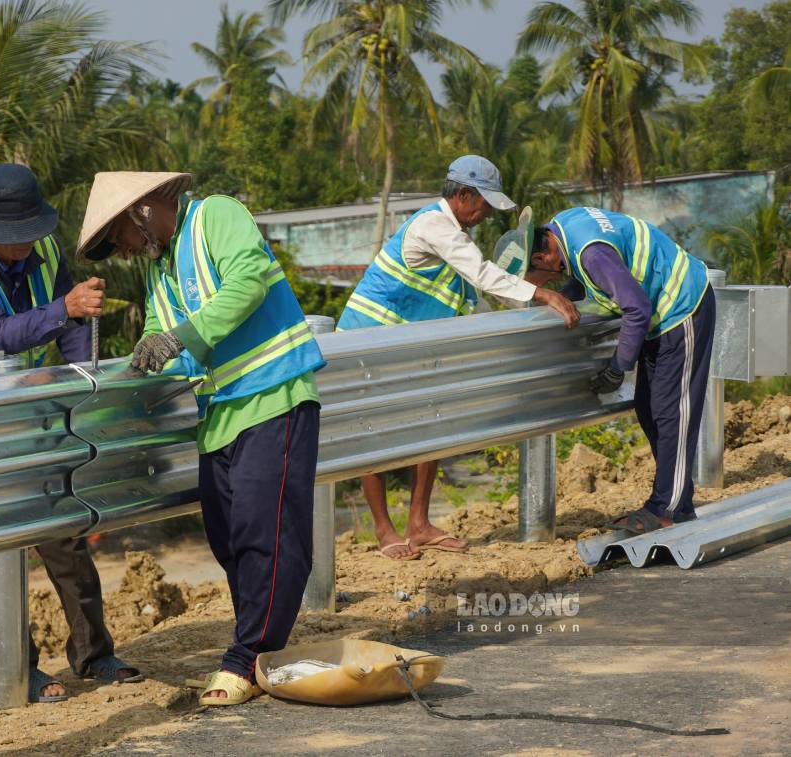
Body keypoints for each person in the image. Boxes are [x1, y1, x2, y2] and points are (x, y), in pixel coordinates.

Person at [76, 171, 325, 707]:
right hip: (219, 412)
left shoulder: (216, 215)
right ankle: (259, 649)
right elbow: (159, 329)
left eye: (116, 234)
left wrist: (179, 338)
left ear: (142, 210)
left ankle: (247, 656)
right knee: (227, 537)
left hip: (274, 396)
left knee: (269, 536)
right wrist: (147, 348)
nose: (119, 249)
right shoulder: (159, 267)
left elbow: (248, 283)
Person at [0, 163, 141, 702]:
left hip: (26, 406)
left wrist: (85, 377)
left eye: (29, 236)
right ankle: (19, 666)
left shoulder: (45, 257)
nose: (24, 247)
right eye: (12, 239)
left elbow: (67, 333)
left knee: (61, 528)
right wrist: (64, 308)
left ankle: (95, 654)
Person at [336, 155, 580, 561]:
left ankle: (419, 524)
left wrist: (527, 304)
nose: (485, 215)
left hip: (405, 347)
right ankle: (384, 530)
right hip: (368, 341)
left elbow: (476, 298)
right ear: (464, 195)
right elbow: (484, 274)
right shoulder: (433, 226)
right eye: (484, 204)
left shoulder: (456, 236)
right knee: (371, 434)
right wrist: (543, 294)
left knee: (433, 425)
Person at [529, 206, 713, 534]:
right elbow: (596, 282)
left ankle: (667, 507)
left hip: (682, 306)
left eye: (537, 276)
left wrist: (618, 367)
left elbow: (637, 308)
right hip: (662, 312)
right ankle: (677, 499)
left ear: (544, 257)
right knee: (649, 408)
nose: (545, 282)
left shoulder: (591, 254)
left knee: (672, 412)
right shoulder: (564, 228)